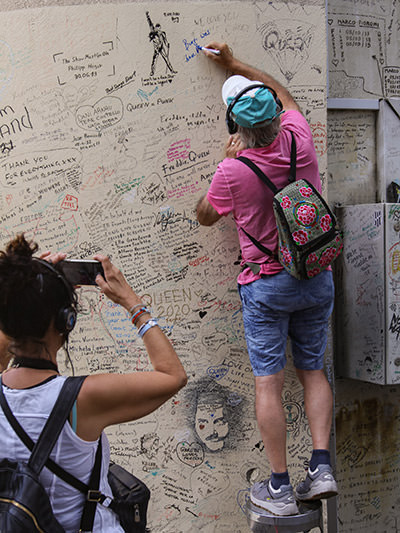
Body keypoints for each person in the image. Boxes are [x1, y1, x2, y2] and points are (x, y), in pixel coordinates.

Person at [196, 42, 338, 516]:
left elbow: (204, 217)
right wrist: (236, 65)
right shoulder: (300, 135)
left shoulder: (232, 171)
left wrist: (224, 159)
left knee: (268, 384)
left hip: (267, 286)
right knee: (313, 370)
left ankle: (279, 487)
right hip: (316, 276)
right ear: (277, 117)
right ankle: (320, 470)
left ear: (237, 128)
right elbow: (286, 91)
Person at [0, 233, 187, 532]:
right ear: (66, 322)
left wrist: (25, 297)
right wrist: (132, 302)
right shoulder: (82, 399)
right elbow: (173, 375)